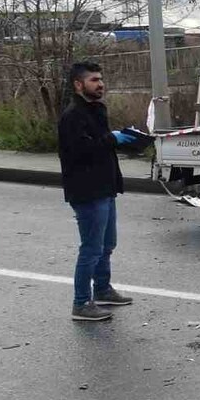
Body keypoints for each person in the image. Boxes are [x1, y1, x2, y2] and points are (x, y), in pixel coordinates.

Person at [58, 62, 142, 321]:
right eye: (94, 80)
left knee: (107, 244)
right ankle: (81, 303)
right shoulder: (73, 115)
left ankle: (103, 289)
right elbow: (81, 151)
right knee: (91, 248)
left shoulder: (96, 110)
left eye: (101, 79)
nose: (101, 83)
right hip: (87, 191)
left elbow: (102, 148)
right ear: (78, 84)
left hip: (105, 188)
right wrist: (113, 139)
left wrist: (126, 141)